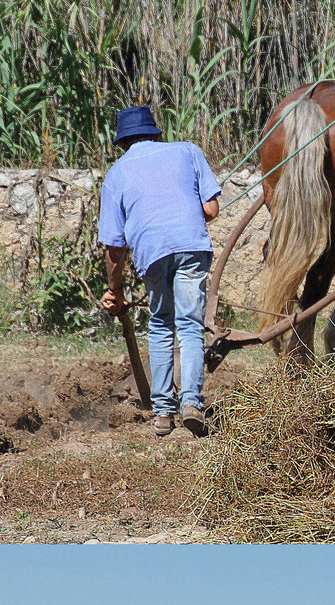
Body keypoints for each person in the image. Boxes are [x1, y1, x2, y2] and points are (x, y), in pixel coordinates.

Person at [99, 105, 221, 437]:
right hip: (191, 246)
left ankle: (163, 414)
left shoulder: (116, 174)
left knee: (162, 325)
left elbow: (114, 246)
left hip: (150, 253)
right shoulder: (188, 151)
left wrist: (115, 291)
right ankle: (192, 404)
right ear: (157, 133)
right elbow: (211, 208)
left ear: (123, 144)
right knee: (191, 326)